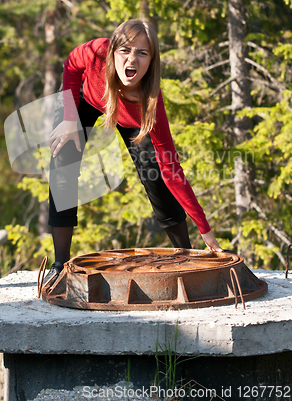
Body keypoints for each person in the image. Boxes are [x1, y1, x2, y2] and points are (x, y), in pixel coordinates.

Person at [45, 19, 222, 287]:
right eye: (125, 50)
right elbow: (71, 63)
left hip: (130, 116)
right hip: (84, 97)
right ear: (113, 50)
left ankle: (186, 256)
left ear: (152, 61)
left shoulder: (150, 103)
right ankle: (60, 266)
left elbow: (172, 170)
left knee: (155, 175)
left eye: (142, 53)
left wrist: (205, 231)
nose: (132, 59)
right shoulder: (96, 52)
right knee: (63, 159)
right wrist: (70, 117)